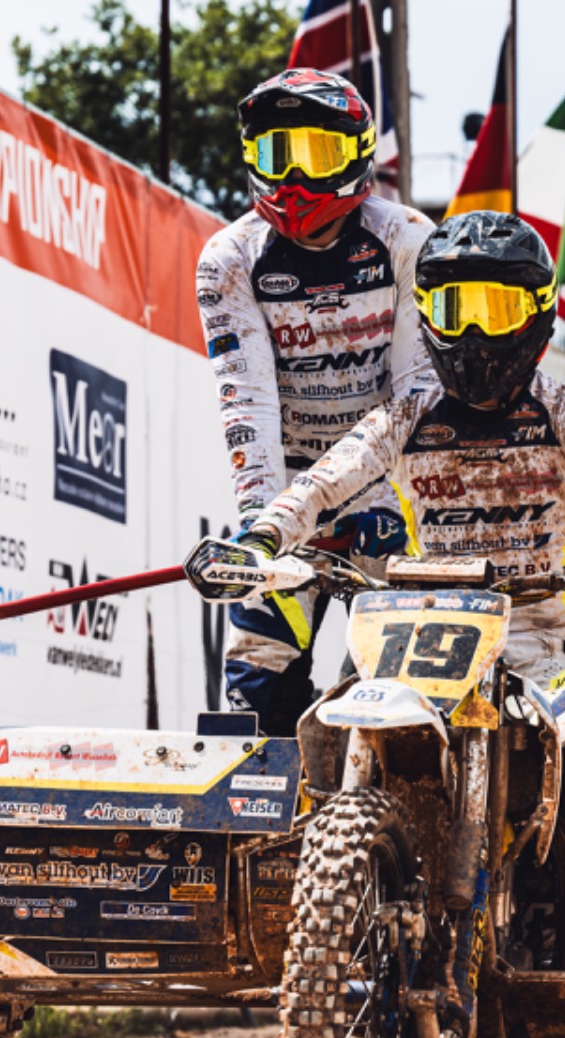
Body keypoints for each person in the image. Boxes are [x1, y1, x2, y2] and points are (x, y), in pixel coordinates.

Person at [231, 211, 565, 978]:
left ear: (537, 314)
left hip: (537, 645)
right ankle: (329, 926)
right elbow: (320, 484)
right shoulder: (405, 415)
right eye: (454, 308)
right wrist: (260, 538)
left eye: (496, 308)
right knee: (323, 743)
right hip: (413, 636)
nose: (475, 334)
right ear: (425, 316)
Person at [200, 68, 435, 736]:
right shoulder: (229, 256)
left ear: (357, 155)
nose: (296, 179)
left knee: (395, 706)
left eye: (318, 153)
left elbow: (416, 394)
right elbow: (246, 402)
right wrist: (262, 524)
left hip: (386, 494)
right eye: (278, 154)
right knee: (255, 694)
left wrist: (386, 504)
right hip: (287, 501)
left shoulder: (407, 238)